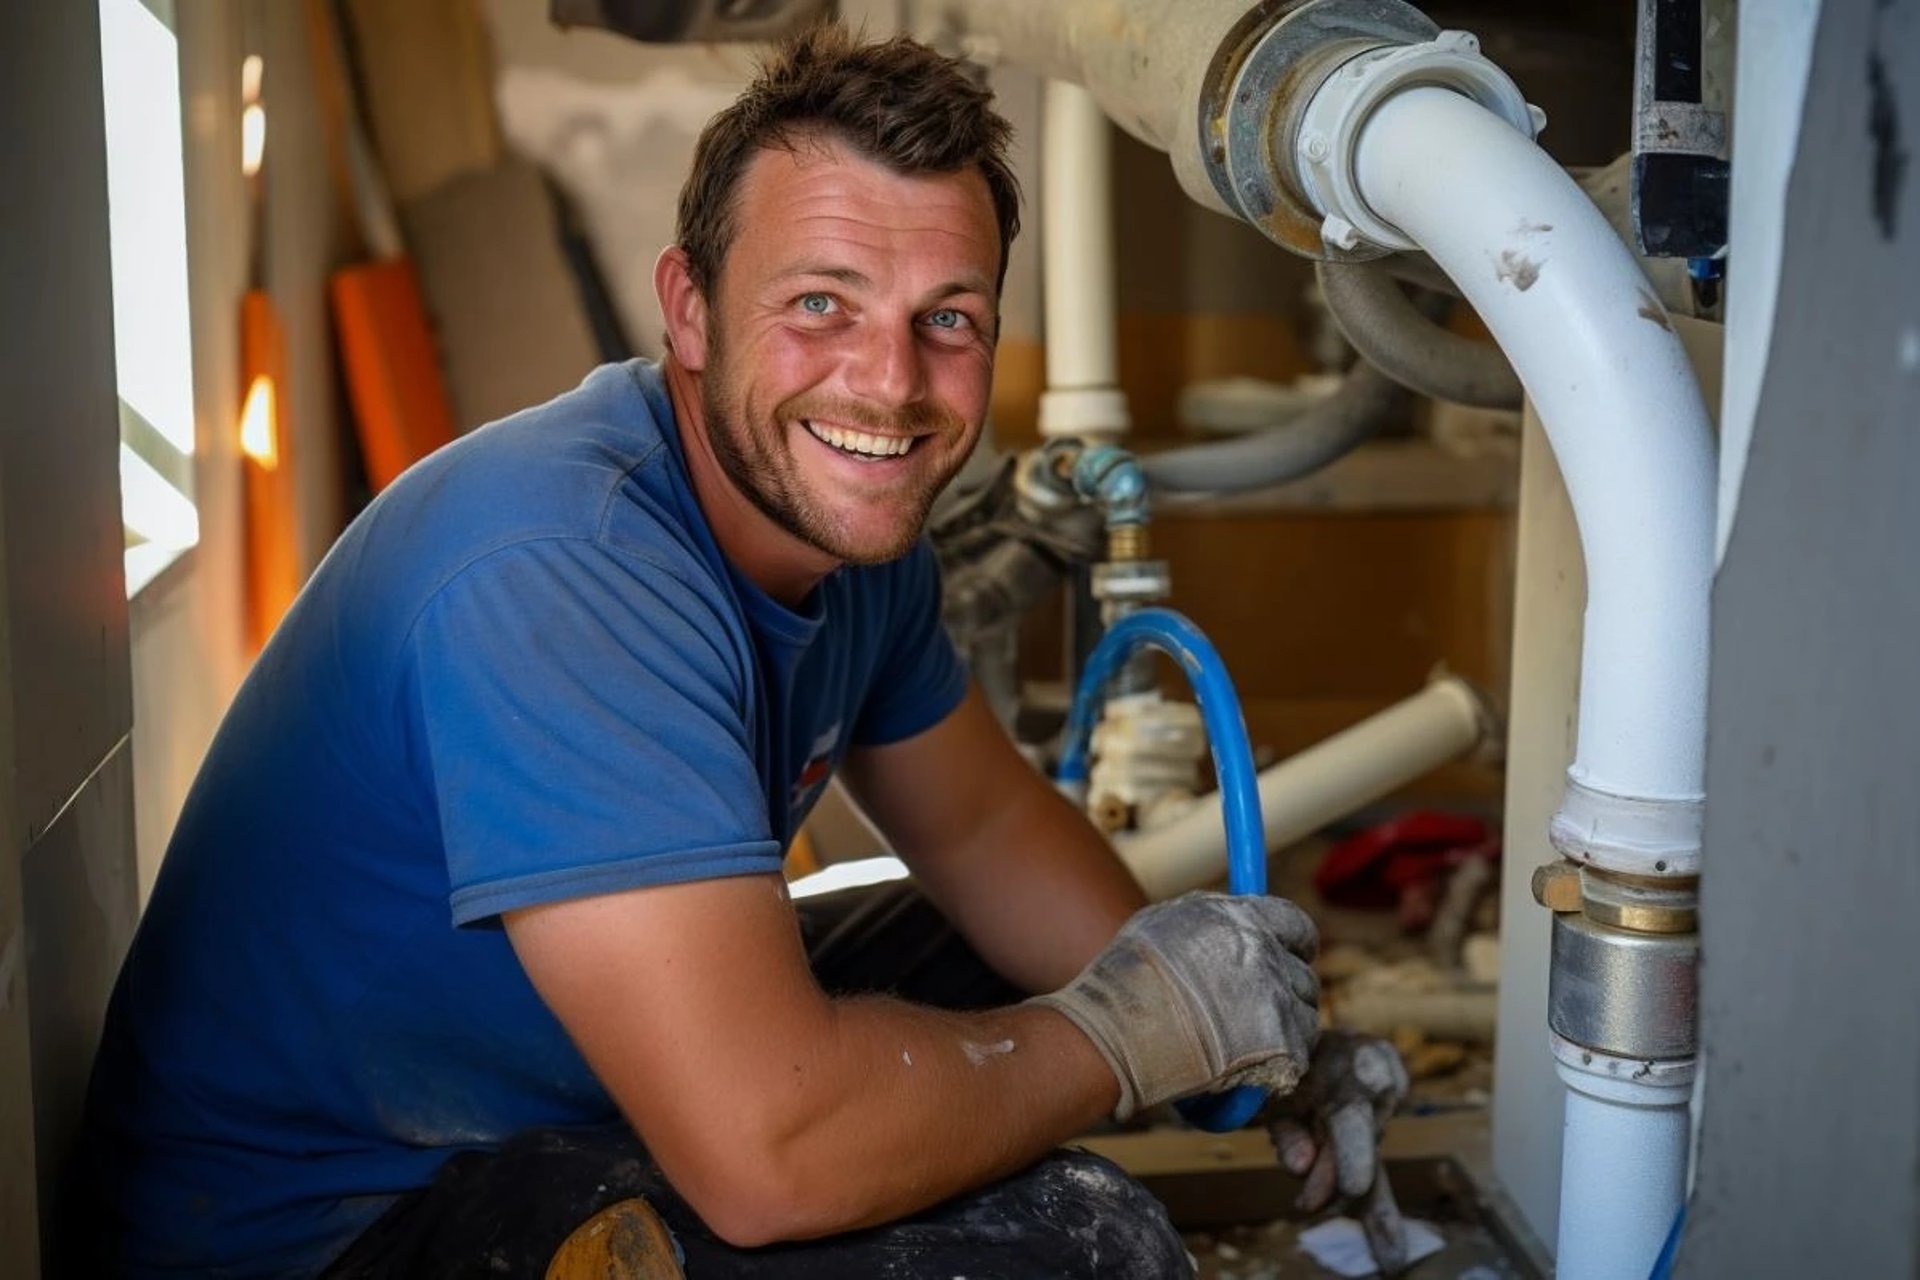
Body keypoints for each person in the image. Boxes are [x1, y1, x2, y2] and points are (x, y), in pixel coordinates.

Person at [75, 26, 1403, 1279]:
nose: (887, 384)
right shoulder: (564, 567)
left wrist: (1260, 1037)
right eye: (821, 304)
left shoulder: (846, 532)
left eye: (946, 318)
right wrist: (1126, 1038)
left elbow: (989, 833)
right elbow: (767, 1168)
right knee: (1085, 1248)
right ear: (691, 310)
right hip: (322, 1225)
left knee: (1006, 955)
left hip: (520, 1104)